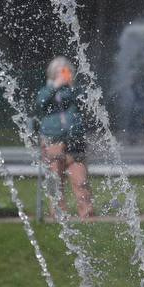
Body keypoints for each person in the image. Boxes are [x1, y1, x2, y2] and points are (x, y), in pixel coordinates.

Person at [34, 56, 94, 220]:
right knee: (55, 179)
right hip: (53, 140)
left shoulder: (75, 91)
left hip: (75, 142)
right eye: (60, 71)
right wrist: (55, 87)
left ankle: (87, 214)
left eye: (67, 71)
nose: (64, 74)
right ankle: (58, 214)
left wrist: (71, 87)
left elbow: (87, 104)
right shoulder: (46, 91)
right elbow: (40, 104)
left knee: (81, 180)